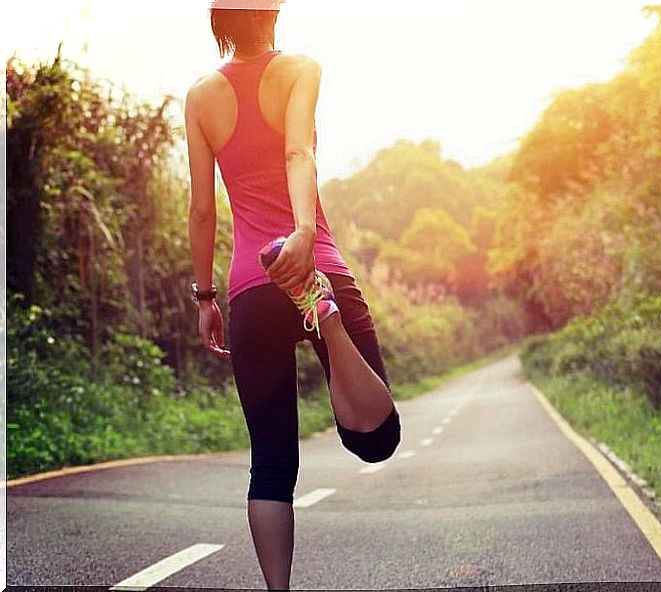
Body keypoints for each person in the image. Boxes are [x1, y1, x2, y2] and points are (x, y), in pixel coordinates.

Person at [184, 1, 401, 588]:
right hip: (313, 265)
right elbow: (296, 151)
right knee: (379, 440)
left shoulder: (200, 96)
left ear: (218, 20)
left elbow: (203, 209)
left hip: (251, 287)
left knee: (272, 464)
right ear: (272, 15)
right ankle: (324, 318)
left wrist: (205, 296)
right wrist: (304, 236)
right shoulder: (300, 68)